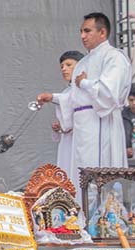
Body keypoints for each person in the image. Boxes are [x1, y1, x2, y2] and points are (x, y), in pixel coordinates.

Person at [36, 13, 131, 186]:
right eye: (81, 31)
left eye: (87, 31)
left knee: (97, 170)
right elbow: (73, 98)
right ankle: (79, 211)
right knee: (79, 171)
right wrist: (53, 98)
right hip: (82, 126)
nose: (82, 36)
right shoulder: (83, 62)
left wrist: (85, 83)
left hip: (100, 120)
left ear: (102, 32)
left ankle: (101, 211)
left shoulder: (113, 57)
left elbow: (109, 93)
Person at [51, 50, 84, 178]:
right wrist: (59, 127)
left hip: (81, 140)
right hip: (67, 141)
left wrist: (52, 97)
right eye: (62, 67)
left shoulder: (85, 88)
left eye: (69, 65)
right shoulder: (66, 91)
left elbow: (70, 100)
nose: (64, 69)